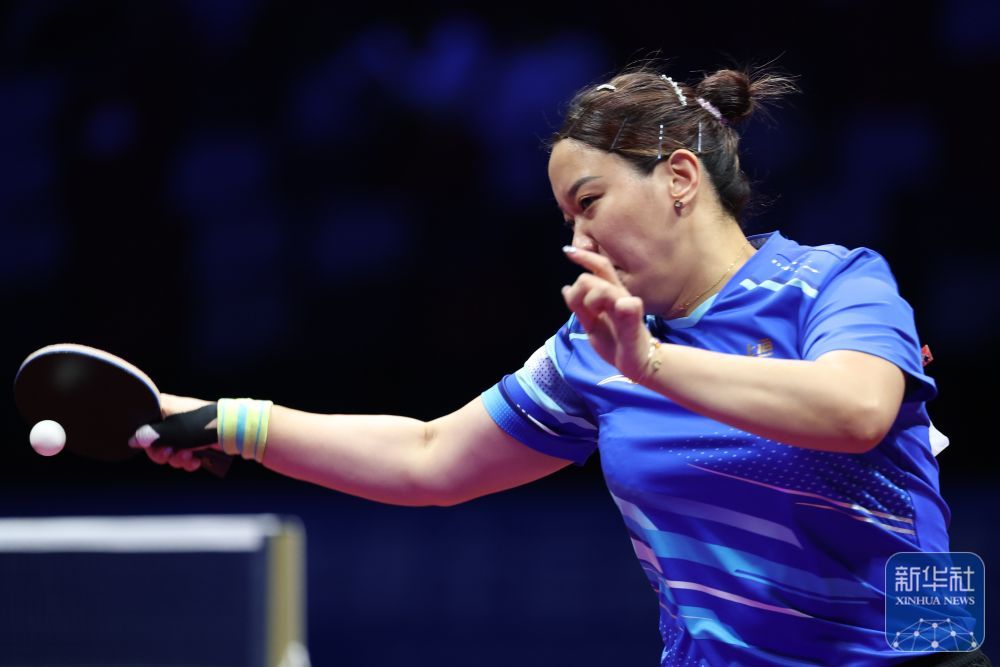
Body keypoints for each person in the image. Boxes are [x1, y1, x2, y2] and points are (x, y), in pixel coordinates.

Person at [134, 65, 990, 667]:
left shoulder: (836, 282)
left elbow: (855, 412)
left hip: (910, 658)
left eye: (591, 203)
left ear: (679, 178)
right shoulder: (594, 347)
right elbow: (429, 456)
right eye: (565, 219)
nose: (578, 240)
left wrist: (648, 362)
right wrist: (224, 420)